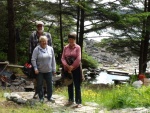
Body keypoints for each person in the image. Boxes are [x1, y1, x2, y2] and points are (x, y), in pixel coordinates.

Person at [29, 20, 52, 98]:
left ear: (43, 27)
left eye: (41, 26)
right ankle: (37, 92)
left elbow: (51, 47)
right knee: (36, 78)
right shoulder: (32, 35)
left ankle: (45, 92)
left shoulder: (48, 35)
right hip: (35, 59)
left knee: (47, 78)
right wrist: (31, 61)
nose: (40, 27)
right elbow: (30, 48)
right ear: (36, 27)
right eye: (38, 26)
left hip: (46, 60)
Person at [31, 35, 56, 103]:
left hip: (49, 70)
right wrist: (35, 68)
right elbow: (33, 59)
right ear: (40, 42)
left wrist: (54, 69)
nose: (44, 42)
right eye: (42, 41)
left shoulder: (50, 48)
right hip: (40, 71)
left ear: (47, 41)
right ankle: (41, 97)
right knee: (39, 84)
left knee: (50, 84)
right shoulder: (36, 49)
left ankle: (49, 97)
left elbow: (53, 59)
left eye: (45, 41)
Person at [61, 32, 83, 108]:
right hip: (67, 68)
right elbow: (63, 58)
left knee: (77, 85)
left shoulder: (78, 47)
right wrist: (67, 66)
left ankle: (78, 102)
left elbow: (79, 58)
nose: (70, 41)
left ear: (75, 39)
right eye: (69, 39)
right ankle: (70, 100)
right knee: (69, 84)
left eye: (72, 39)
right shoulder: (65, 47)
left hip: (76, 68)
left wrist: (72, 67)